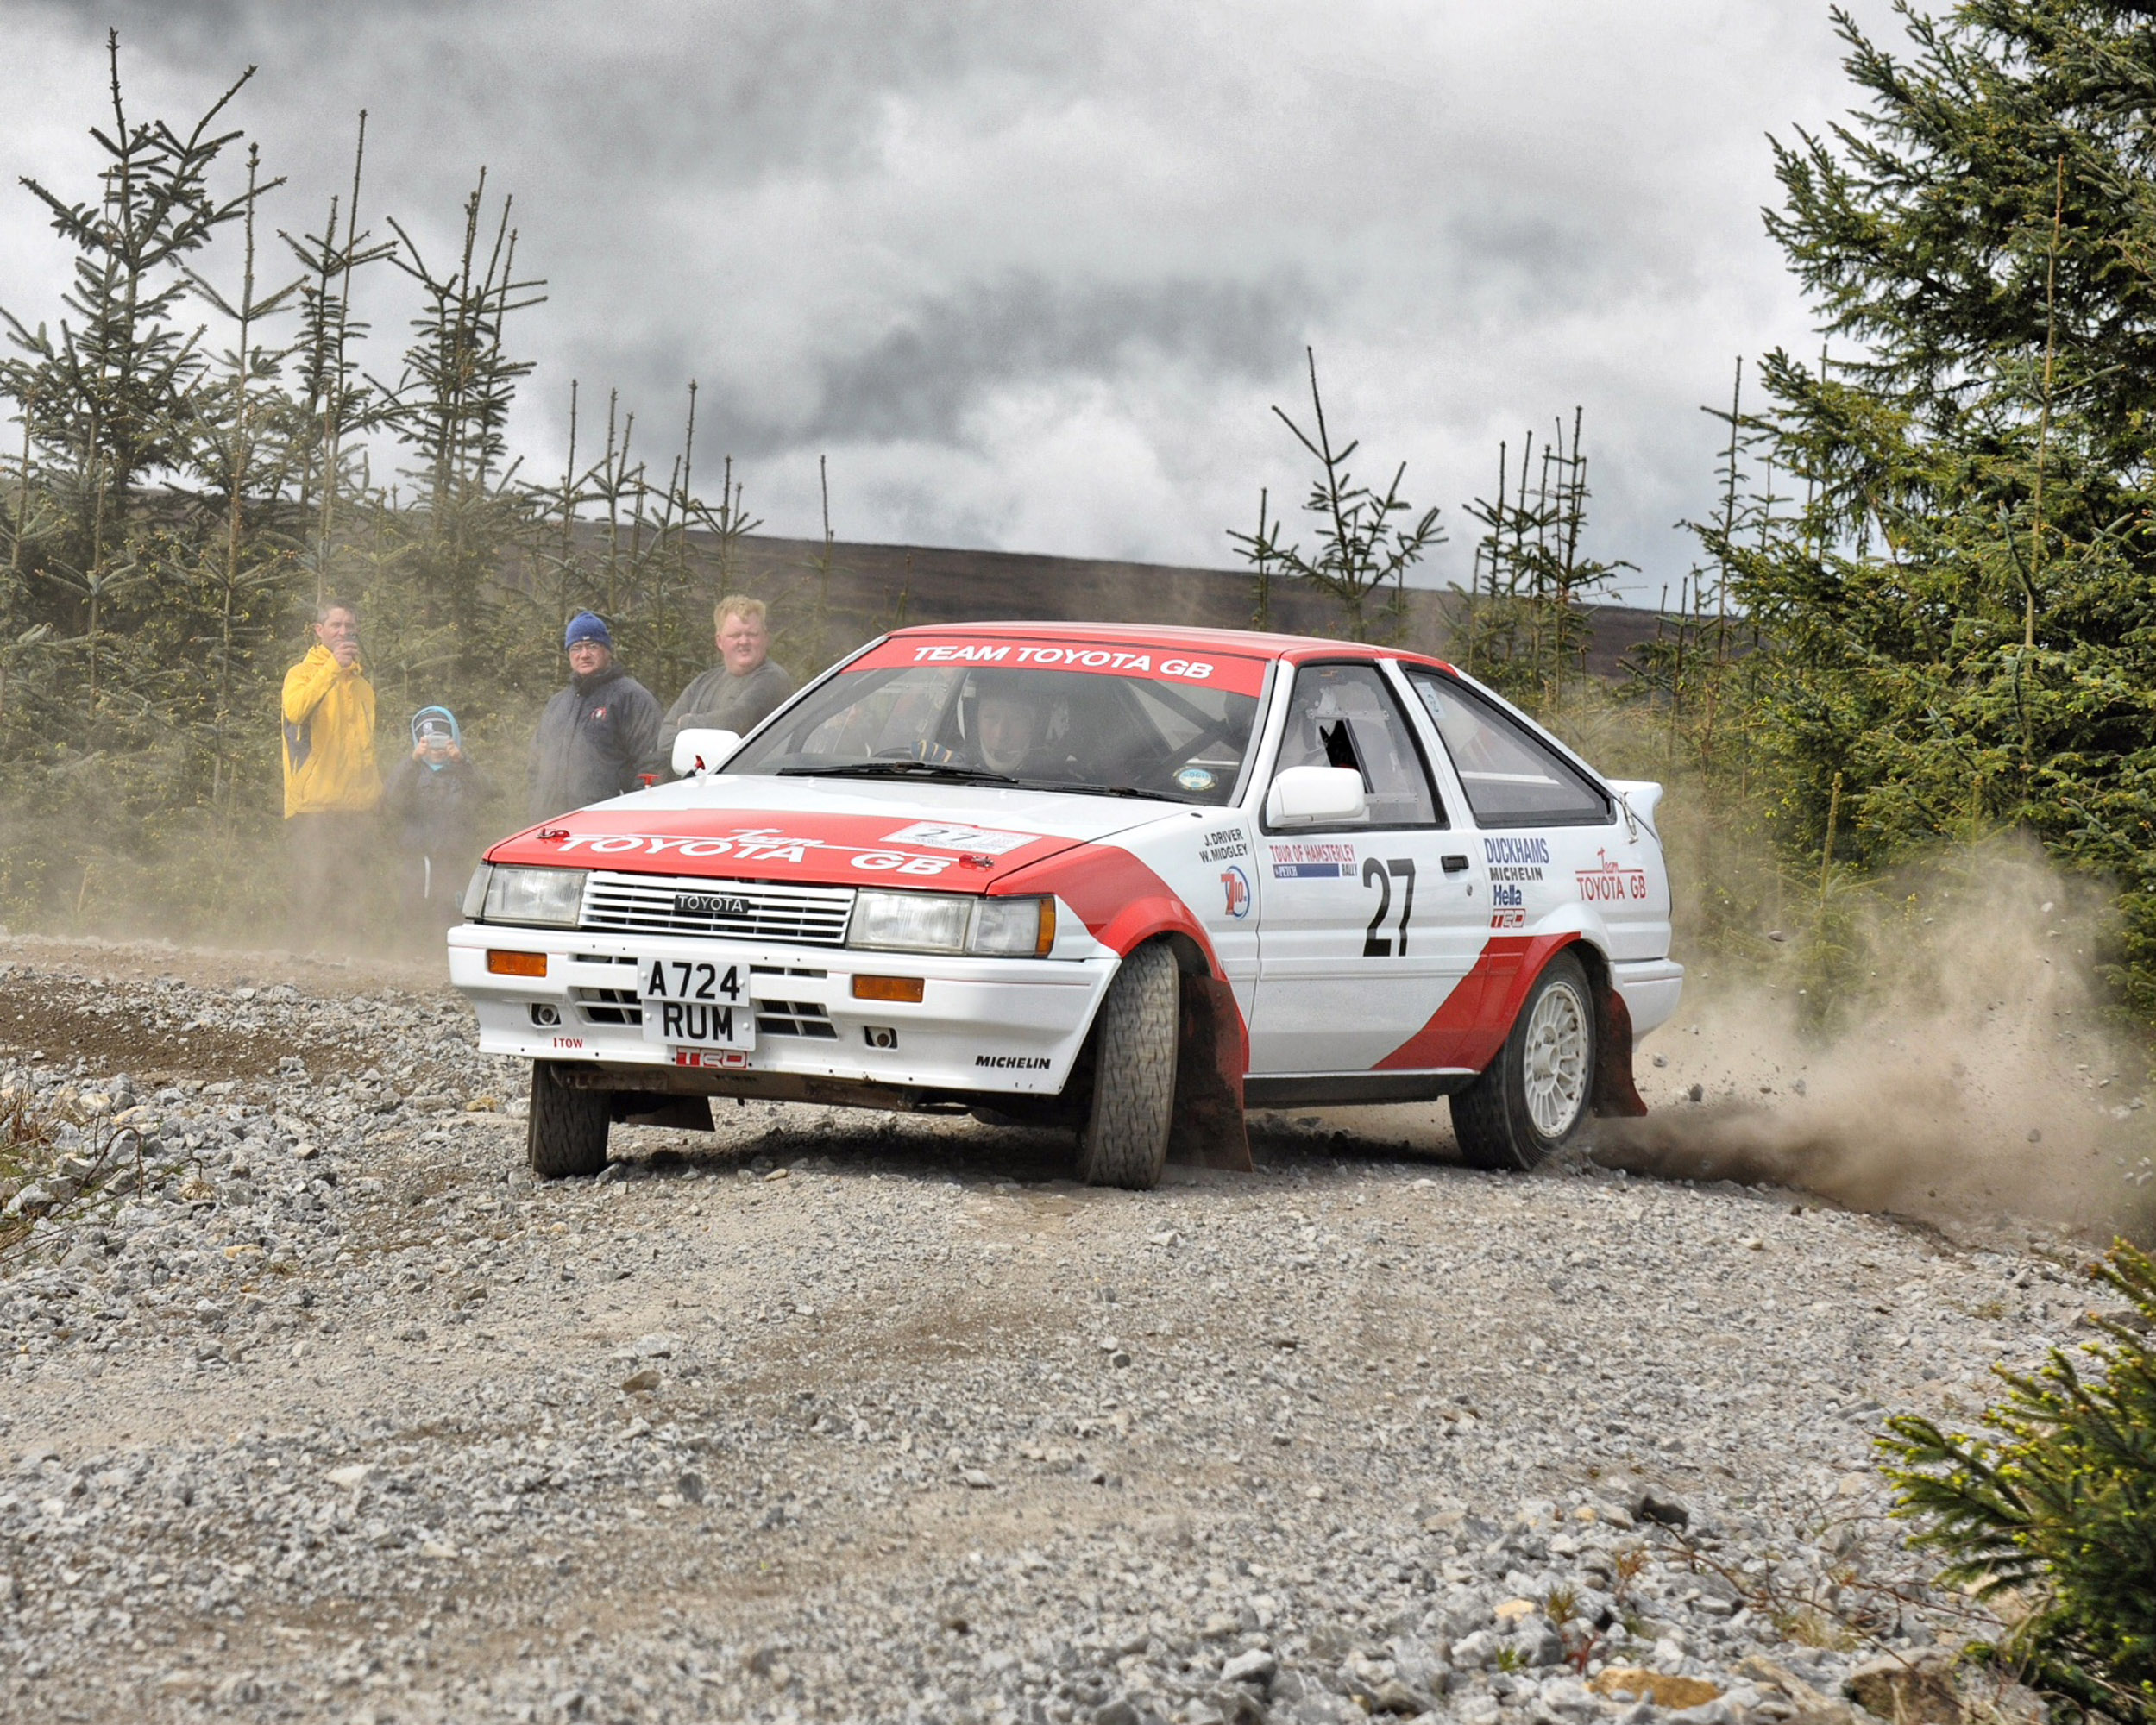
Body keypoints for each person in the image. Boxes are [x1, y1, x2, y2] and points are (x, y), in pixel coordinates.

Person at [281, 597, 383, 945]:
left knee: (353, 890)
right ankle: (303, 957)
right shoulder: (301, 674)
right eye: (336, 625)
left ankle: (349, 958)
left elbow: (365, 747)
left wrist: (375, 793)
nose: (344, 632)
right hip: (314, 804)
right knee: (312, 887)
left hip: (357, 806)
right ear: (319, 631)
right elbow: (295, 711)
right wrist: (331, 670)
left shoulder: (363, 687)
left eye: (350, 626)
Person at [529, 611, 663, 820]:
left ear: (607, 650)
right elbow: (535, 767)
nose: (584, 654)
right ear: (569, 654)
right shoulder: (557, 704)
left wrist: (634, 820)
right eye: (576, 648)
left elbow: (653, 766)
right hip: (550, 828)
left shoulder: (631, 698)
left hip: (604, 829)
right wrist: (534, 806)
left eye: (592, 646)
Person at [383, 706, 496, 931]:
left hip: (452, 861)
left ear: (453, 738)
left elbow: (487, 792)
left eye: (442, 740)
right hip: (416, 861)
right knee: (413, 919)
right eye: (429, 741)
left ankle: (443, 962)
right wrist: (413, 760)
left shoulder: (463, 769)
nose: (436, 749)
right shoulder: (411, 770)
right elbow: (393, 799)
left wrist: (461, 762)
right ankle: (410, 959)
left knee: (450, 918)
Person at [658, 595, 795, 774]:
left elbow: (739, 720)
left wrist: (687, 722)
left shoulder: (773, 679)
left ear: (765, 638)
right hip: (699, 791)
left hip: (749, 790)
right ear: (719, 641)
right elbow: (665, 739)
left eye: (752, 634)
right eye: (735, 635)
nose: (744, 642)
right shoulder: (703, 682)